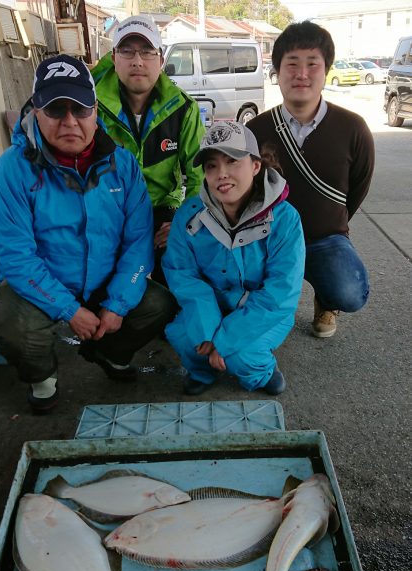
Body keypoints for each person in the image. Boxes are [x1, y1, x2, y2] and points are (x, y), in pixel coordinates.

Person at [0, 54, 176, 413]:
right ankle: (42, 379)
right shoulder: (10, 169)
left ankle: (107, 352)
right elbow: (15, 256)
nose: (70, 121)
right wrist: (70, 310)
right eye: (56, 110)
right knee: (11, 325)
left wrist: (117, 304)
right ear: (36, 112)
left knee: (158, 304)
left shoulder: (123, 163)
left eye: (81, 109)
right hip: (42, 285)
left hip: (103, 281)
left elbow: (138, 242)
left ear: (95, 111)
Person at [247, 21, 374, 339]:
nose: (301, 74)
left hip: (324, 239)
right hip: (268, 239)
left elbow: (356, 189)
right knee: (234, 284)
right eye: (291, 64)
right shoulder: (256, 129)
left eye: (312, 63)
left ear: (326, 70)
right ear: (277, 71)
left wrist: (331, 221)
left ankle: (326, 298)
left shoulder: (353, 127)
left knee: (349, 292)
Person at [161, 122, 305, 396]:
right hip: (212, 306)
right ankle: (201, 373)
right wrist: (208, 330)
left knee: (242, 357)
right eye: (212, 165)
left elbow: (280, 293)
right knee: (184, 336)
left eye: (232, 161)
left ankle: (262, 373)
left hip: (264, 311)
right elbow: (181, 274)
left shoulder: (285, 219)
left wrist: (224, 339)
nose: (221, 174)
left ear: (255, 165)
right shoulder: (188, 216)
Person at [91, 15, 205, 284]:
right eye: (127, 51)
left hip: (162, 209)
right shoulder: (90, 106)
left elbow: (200, 174)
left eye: (146, 52)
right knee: (101, 275)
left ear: (161, 60)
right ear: (114, 58)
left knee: (181, 264)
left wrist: (184, 222)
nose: (137, 61)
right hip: (108, 210)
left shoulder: (183, 109)